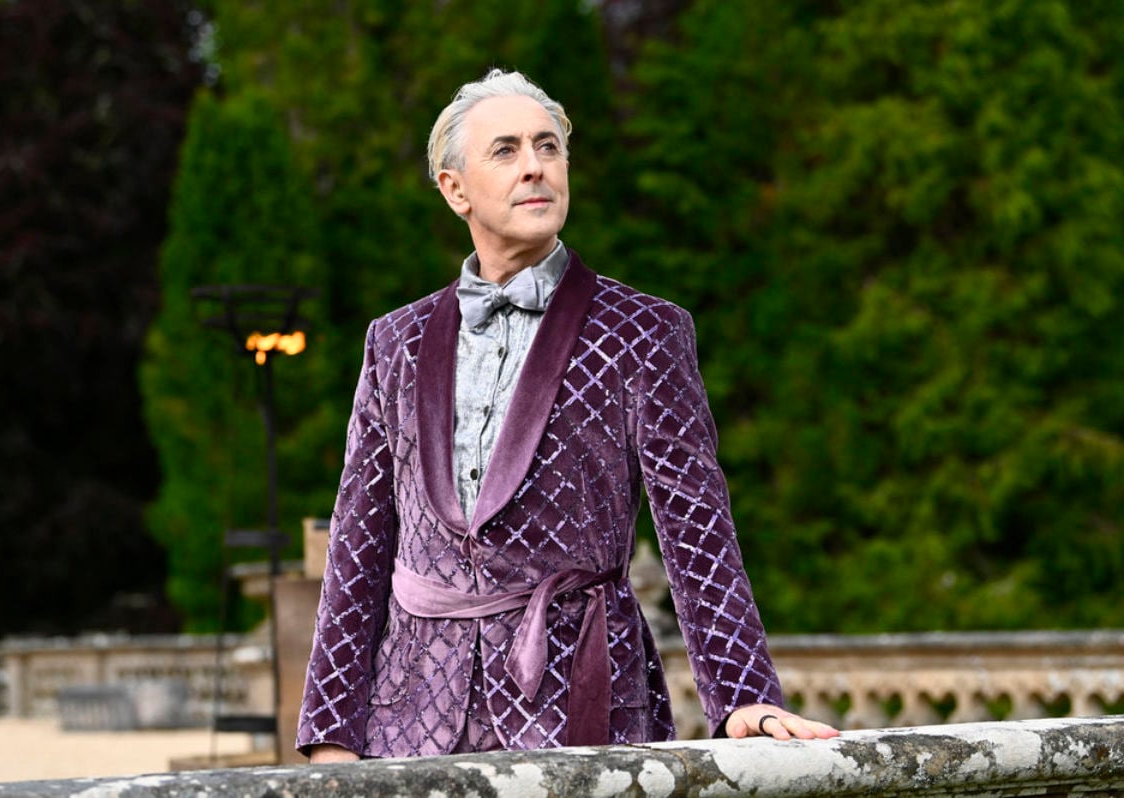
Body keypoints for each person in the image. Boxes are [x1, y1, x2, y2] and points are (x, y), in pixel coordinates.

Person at [297, 68, 838, 762]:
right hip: (408, 721)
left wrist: (743, 696)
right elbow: (359, 542)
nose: (535, 167)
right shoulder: (394, 341)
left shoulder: (643, 332)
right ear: (455, 189)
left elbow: (697, 526)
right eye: (506, 150)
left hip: (582, 700)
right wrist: (331, 733)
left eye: (548, 147)